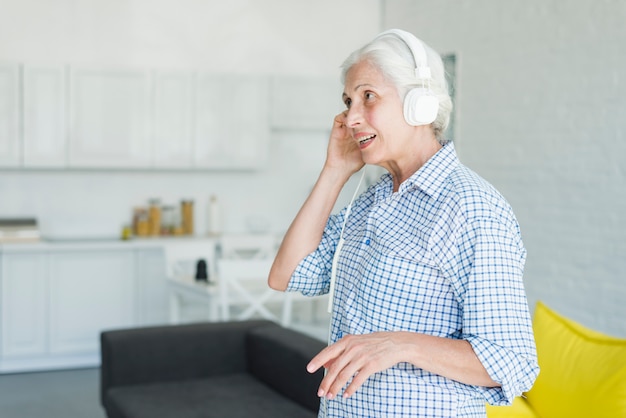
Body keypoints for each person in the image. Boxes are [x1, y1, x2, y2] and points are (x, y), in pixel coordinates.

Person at [268, 28, 539, 417]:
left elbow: (512, 361)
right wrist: (334, 170)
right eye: (348, 101)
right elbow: (287, 275)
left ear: (420, 104)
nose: (350, 117)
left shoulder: (470, 207)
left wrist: (399, 344)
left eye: (368, 96)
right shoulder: (373, 201)